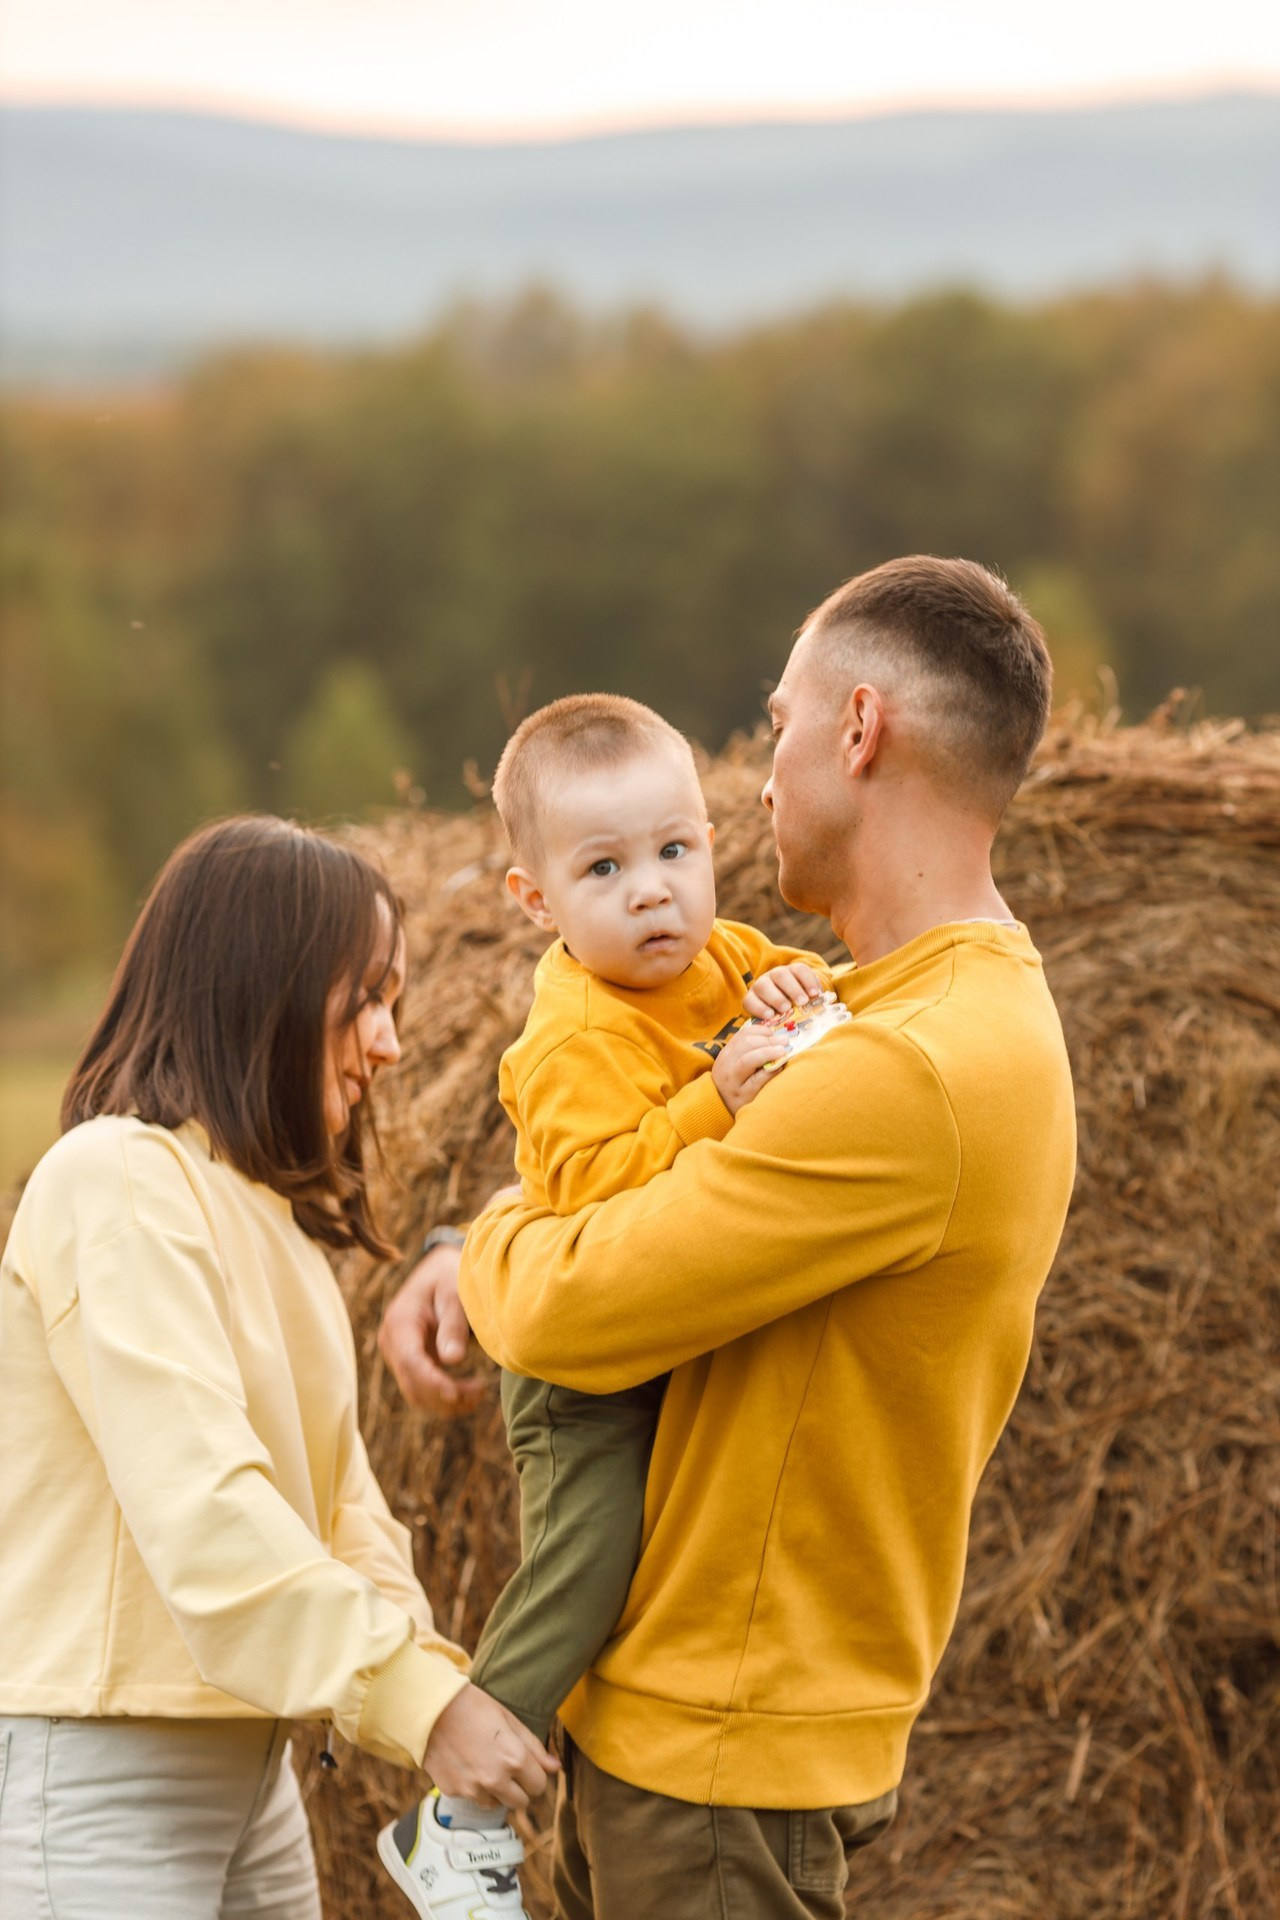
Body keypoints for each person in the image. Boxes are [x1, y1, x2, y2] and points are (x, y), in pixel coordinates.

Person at [380, 555, 1078, 1919]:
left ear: (860, 731)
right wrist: (479, 1243)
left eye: (777, 727)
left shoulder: (900, 1070)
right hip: (702, 1725)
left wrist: (497, 1243)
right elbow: (666, 1215)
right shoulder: (892, 1011)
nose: (757, 777)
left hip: (724, 1739)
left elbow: (576, 1312)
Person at [0, 815, 556, 1920]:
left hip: (251, 1774)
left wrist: (443, 1686)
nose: (391, 1043)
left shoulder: (274, 1228)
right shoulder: (116, 1180)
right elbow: (204, 1512)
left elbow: (345, 1516)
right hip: (106, 1771)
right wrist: (425, 1708)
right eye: (368, 1000)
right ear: (264, 986)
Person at [379, 693, 832, 1918]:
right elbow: (581, 1188)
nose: (653, 893)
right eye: (604, 868)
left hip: (657, 1337)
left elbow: (809, 981)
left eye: (675, 852)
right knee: (590, 1556)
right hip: (577, 1374)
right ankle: (462, 1805)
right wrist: (714, 1103)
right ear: (536, 903)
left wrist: (805, 998)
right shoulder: (571, 1031)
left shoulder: (722, 954)